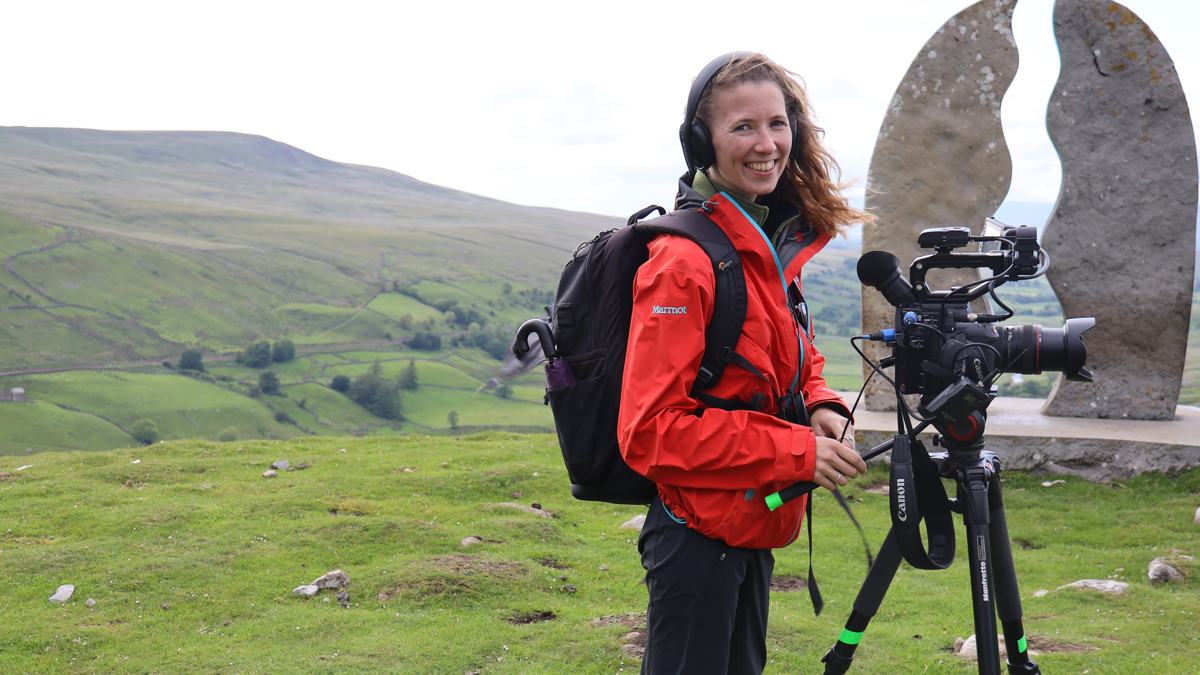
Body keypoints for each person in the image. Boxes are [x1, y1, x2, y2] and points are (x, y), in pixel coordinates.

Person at [617, 52, 873, 674]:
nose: (768, 144)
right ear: (702, 142)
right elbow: (650, 432)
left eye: (778, 123)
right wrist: (797, 454)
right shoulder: (684, 263)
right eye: (743, 128)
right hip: (696, 535)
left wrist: (822, 403)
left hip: (753, 520)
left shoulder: (764, 242)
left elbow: (793, 354)